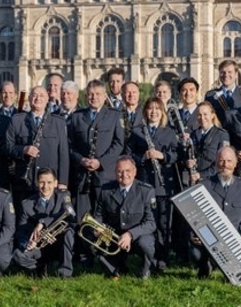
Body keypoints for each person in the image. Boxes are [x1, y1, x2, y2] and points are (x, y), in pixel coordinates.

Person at [191, 146, 241, 279]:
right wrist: (194, 234)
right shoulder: (204, 185)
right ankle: (207, 265)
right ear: (216, 163)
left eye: (229, 161)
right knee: (196, 253)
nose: (225, 165)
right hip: (210, 236)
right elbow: (192, 215)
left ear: (235, 164)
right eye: (221, 161)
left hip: (236, 236)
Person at [126, 97, 178, 269]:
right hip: (144, 184)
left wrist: (162, 156)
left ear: (162, 112)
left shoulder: (169, 132)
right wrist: (143, 157)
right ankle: (147, 258)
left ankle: (162, 260)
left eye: (157, 108)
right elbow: (128, 155)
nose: (154, 112)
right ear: (145, 112)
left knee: (164, 224)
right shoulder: (137, 132)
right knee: (147, 222)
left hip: (163, 186)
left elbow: (177, 155)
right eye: (150, 109)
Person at [68, 80, 124, 222]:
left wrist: (101, 162)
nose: (94, 98)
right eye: (90, 94)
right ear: (86, 96)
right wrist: (81, 159)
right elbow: (70, 145)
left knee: (105, 217)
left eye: (98, 94)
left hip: (105, 177)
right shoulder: (76, 116)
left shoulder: (114, 115)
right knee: (82, 219)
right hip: (82, 177)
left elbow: (118, 144)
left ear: (105, 96)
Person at [92, 157, 156, 279]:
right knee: (91, 239)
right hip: (115, 234)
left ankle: (145, 269)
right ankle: (116, 269)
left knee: (146, 244)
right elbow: (99, 215)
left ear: (135, 172)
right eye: (120, 171)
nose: (124, 175)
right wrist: (98, 227)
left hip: (137, 235)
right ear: (115, 172)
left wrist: (130, 234)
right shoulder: (106, 190)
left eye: (128, 170)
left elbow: (150, 223)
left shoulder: (146, 191)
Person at [5, 86, 69, 206]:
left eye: (42, 96)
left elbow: (63, 155)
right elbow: (7, 147)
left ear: (47, 99)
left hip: (49, 183)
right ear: (29, 98)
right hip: (24, 181)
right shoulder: (17, 120)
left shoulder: (58, 122)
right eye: (34, 95)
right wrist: (23, 149)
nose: (38, 98)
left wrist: (63, 182)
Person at [12, 168, 76, 278]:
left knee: (69, 232)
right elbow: (20, 232)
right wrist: (27, 243)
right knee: (17, 255)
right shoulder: (26, 204)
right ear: (37, 183)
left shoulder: (63, 196)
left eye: (49, 182)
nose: (45, 186)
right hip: (39, 248)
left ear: (56, 183)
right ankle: (40, 266)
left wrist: (42, 223)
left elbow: (70, 213)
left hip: (58, 246)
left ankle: (65, 274)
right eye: (42, 182)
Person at [186, 102, 230, 181]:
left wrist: (201, 175)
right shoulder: (193, 134)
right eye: (199, 115)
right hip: (196, 180)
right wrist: (188, 162)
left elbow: (223, 162)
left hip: (214, 180)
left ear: (212, 115)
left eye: (205, 114)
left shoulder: (221, 135)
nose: (202, 118)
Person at [205, 59, 241, 125]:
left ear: (236, 74)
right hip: (218, 134)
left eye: (229, 72)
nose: (226, 75)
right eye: (223, 72)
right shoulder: (210, 96)